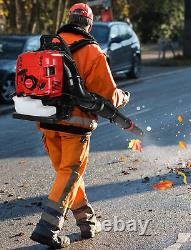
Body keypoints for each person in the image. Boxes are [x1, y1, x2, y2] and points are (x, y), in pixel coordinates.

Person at [30, 3, 130, 249]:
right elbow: (107, 94)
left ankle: (87, 222)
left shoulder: (49, 44)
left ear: (69, 19)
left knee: (67, 173)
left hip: (46, 121)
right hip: (74, 124)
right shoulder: (92, 51)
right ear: (89, 24)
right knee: (70, 173)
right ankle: (48, 227)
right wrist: (123, 97)